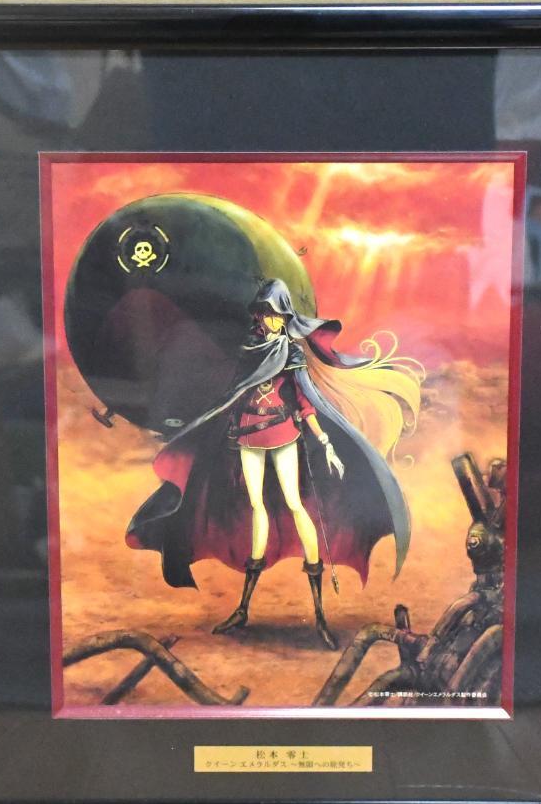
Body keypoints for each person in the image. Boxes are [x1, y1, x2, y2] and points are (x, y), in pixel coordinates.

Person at [126, 279, 422, 650]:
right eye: (267, 314)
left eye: (279, 315)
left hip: (284, 435)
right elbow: (235, 395)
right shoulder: (249, 350)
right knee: (256, 508)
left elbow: (307, 404)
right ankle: (243, 608)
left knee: (296, 505)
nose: (273, 321)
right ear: (259, 316)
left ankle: (318, 612)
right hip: (248, 438)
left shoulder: (292, 355)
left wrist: (327, 444)